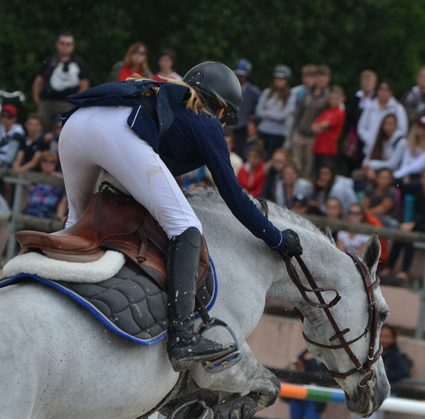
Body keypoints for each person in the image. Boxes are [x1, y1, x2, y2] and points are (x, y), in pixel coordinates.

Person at [59, 64, 301, 371]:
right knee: (186, 227)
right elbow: (234, 196)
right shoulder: (206, 120)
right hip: (115, 133)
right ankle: (183, 337)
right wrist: (277, 238)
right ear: (222, 106)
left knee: (76, 221)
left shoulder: (166, 97)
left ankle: (59, 287)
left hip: (77, 126)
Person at [383, 167, 425, 279]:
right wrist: (409, 224)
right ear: (422, 180)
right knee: (401, 234)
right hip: (416, 225)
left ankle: (404, 270)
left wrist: (412, 224)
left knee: (411, 235)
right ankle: (389, 267)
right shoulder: (417, 193)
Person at [32, 33, 90, 133]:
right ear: (57, 45)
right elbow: (38, 81)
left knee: (66, 129)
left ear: (73, 46)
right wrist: (37, 100)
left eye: (68, 44)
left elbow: (84, 84)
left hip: (67, 103)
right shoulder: (49, 62)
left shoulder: (79, 63)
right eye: (62, 43)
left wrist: (77, 103)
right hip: (47, 102)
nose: (65, 46)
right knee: (41, 128)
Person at [291, 65, 330, 180]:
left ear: (328, 79)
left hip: (314, 137)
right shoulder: (307, 92)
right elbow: (299, 113)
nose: (321, 79)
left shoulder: (328, 97)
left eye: (324, 76)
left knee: (309, 168)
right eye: (319, 76)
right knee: (296, 164)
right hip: (300, 133)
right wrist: (294, 130)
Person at [356, 79, 408, 158]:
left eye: (387, 90)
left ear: (391, 92)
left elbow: (402, 130)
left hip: (389, 151)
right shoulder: (371, 106)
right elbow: (361, 127)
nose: (384, 93)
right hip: (370, 149)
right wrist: (370, 139)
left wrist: (387, 141)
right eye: (381, 89)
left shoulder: (397, 108)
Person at [254, 65, 293, 159]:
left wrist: (267, 111)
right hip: (263, 131)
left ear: (287, 80)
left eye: (282, 79)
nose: (279, 81)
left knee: (272, 159)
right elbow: (258, 111)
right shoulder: (267, 92)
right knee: (259, 156)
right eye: (277, 78)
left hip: (278, 134)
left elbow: (283, 116)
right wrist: (277, 112)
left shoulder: (291, 95)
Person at [343, 70, 378, 170]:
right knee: (351, 161)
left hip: (370, 135)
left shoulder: (377, 99)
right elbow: (349, 116)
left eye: (369, 81)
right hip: (355, 135)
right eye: (365, 81)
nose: (367, 84)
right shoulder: (356, 97)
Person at [311, 85, 346, 171]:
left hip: (328, 148)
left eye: (336, 98)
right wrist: (320, 125)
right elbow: (313, 127)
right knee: (316, 171)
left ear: (341, 99)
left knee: (325, 172)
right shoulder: (327, 111)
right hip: (318, 146)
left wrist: (320, 125)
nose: (333, 101)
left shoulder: (339, 112)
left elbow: (325, 124)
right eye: (331, 98)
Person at [361, 113, 406, 179]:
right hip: (377, 170)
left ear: (396, 125)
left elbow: (392, 164)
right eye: (385, 124)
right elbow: (368, 157)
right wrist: (368, 167)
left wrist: (371, 165)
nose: (387, 127)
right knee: (358, 174)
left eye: (390, 124)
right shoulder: (380, 139)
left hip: (391, 173)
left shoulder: (401, 142)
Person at [231, 58, 260, 158]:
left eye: (242, 75)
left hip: (242, 129)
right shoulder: (227, 87)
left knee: (241, 154)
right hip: (226, 126)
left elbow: (260, 107)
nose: (240, 77)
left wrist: (253, 120)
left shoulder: (253, 91)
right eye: (238, 74)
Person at [23, 151, 66, 220]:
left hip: (48, 210)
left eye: (52, 162)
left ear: (55, 164)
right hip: (31, 208)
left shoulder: (60, 177)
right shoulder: (35, 177)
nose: (48, 164)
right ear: (40, 162)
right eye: (45, 160)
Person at [394, 116, 425, 182]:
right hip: (404, 173)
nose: (422, 130)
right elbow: (405, 161)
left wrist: (397, 174)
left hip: (418, 176)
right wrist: (402, 173)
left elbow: (419, 165)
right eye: (420, 127)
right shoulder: (408, 142)